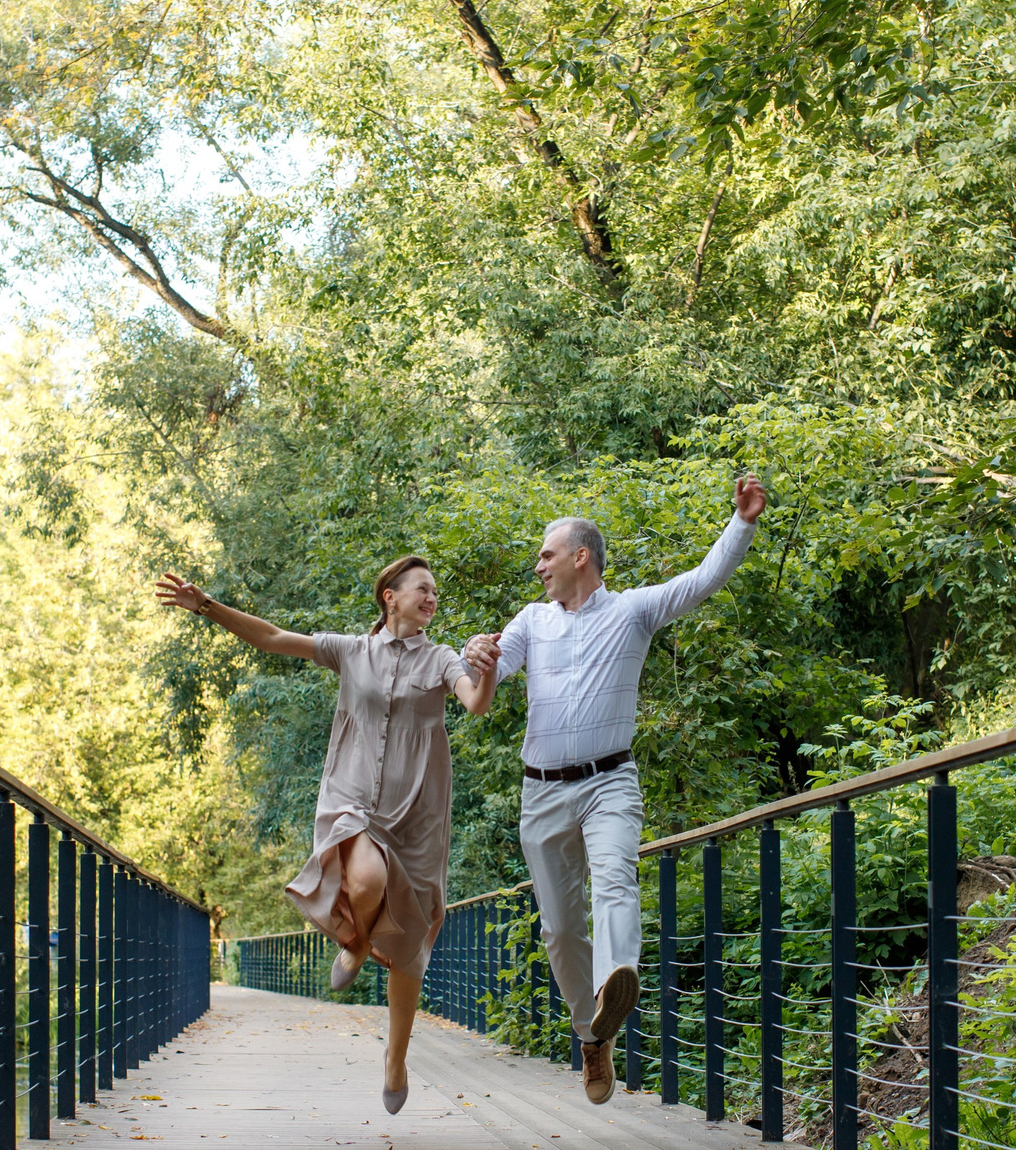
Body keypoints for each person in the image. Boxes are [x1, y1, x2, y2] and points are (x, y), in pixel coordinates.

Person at [463, 476, 767, 1104]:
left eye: (548, 554)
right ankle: (592, 1037)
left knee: (616, 879)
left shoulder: (633, 611)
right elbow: (489, 668)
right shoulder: (531, 621)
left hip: (610, 782)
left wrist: (741, 523)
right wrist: (478, 653)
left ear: (582, 557)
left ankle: (617, 979)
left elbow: (702, 580)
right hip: (542, 792)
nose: (538, 564)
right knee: (560, 928)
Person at [156, 556, 494, 1111]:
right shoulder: (349, 651)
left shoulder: (440, 659)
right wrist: (207, 607)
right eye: (422, 590)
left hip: (417, 817)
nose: (432, 598)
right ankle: (356, 939)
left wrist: (489, 668)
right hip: (353, 801)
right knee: (363, 879)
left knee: (409, 950)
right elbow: (271, 637)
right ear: (390, 596)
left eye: (435, 591)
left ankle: (396, 1057)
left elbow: (476, 703)